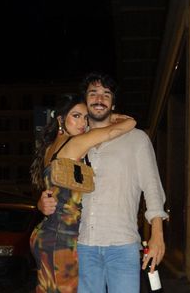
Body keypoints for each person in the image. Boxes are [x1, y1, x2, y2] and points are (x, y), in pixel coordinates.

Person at [38, 72, 168, 293]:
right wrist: (42, 202)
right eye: (93, 93)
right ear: (85, 102)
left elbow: (152, 187)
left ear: (113, 103)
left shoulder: (137, 138)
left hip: (123, 245)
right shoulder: (76, 139)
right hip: (83, 246)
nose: (99, 99)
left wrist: (157, 235)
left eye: (106, 94)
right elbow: (56, 180)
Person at [30, 93, 136, 293]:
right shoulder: (75, 143)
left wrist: (40, 204)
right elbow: (128, 124)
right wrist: (107, 117)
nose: (83, 123)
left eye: (86, 117)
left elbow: (53, 193)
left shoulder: (48, 150)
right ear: (61, 119)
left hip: (46, 235)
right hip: (63, 240)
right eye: (76, 116)